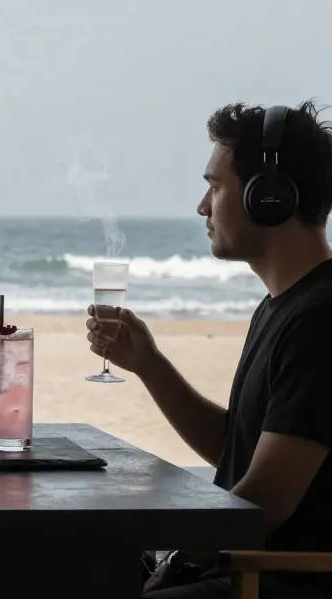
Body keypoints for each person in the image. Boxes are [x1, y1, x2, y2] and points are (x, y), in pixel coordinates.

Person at [84, 101, 332, 598]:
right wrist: (151, 367)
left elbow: (263, 502)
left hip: (276, 581)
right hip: (244, 567)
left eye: (216, 186)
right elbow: (237, 454)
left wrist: (179, 560)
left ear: (270, 199)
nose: (202, 206)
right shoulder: (283, 307)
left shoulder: (320, 319)